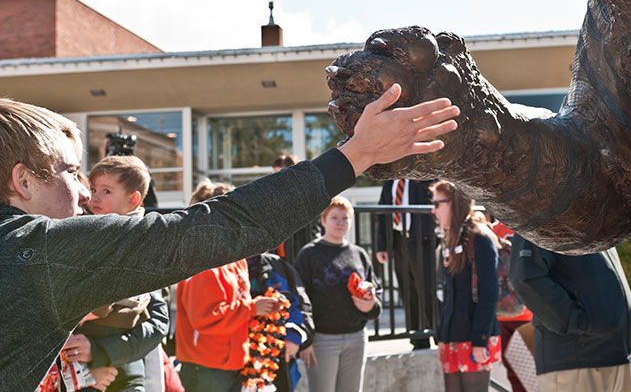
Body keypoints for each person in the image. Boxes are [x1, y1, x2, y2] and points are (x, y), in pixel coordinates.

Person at [0, 84, 459, 391]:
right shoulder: (38, 250)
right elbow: (212, 227)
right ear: (23, 181)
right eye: (71, 172)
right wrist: (357, 153)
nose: (84, 192)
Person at [64, 156, 170, 392]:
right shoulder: (85, 231)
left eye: (106, 191)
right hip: (82, 367)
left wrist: (99, 350)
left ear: (133, 199)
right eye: (94, 189)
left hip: (124, 363)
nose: (94, 197)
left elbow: (158, 322)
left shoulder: (139, 241)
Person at [175, 180, 281, 392]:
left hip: (230, 364)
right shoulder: (203, 261)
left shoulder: (235, 258)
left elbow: (234, 305)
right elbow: (205, 318)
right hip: (205, 367)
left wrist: (260, 308)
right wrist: (252, 308)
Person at [509, 235, 631, 392]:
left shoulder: (597, 223)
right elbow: (526, 277)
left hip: (616, 353)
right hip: (575, 357)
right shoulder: (542, 220)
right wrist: (576, 322)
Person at [294, 196, 380, 392]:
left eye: (345, 218)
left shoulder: (359, 254)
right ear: (323, 220)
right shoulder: (309, 254)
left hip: (357, 338)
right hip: (322, 340)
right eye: (334, 218)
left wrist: (371, 305)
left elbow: (375, 292)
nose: (340, 222)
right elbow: (299, 297)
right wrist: (306, 340)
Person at [431, 180, 501, 392]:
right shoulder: (451, 238)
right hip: (453, 336)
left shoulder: (480, 237)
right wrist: (442, 337)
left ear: (455, 203)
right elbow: (449, 294)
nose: (433, 211)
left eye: (437, 204)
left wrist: (480, 339)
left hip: (475, 336)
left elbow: (490, 292)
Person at [375, 178, 438, 349]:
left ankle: (440, 336)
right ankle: (418, 339)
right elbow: (382, 212)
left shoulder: (424, 175)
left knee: (426, 290)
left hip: (422, 240)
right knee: (407, 291)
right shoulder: (390, 180)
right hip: (398, 240)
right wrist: (382, 246)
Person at [246, 248, 314, 391]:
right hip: (239, 358)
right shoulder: (224, 267)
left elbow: (299, 305)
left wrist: (294, 336)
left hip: (279, 358)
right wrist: (251, 308)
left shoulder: (277, 265)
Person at [489, 218, 533, 392]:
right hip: (508, 314)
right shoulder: (493, 229)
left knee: (526, 377)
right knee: (518, 376)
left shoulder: (531, 227)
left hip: (523, 315)